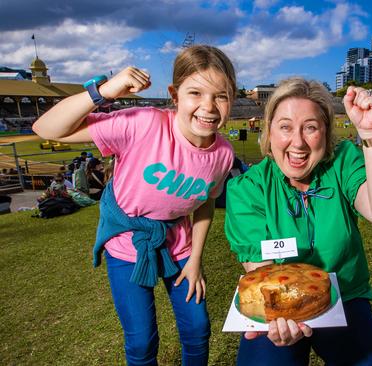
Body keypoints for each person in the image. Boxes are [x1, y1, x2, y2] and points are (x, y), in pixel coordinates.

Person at [32, 45, 236, 365]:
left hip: (179, 247)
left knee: (198, 329)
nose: (208, 107)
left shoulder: (223, 154)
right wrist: (101, 92)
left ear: (232, 99)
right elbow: (45, 129)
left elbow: (206, 205)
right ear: (175, 94)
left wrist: (196, 259)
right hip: (127, 244)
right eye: (195, 92)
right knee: (141, 342)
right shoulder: (143, 125)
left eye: (221, 96)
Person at [225, 78, 372, 365]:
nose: (298, 142)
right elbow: (263, 273)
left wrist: (370, 133)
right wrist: (283, 317)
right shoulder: (247, 188)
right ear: (269, 132)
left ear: (326, 132)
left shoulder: (342, 161)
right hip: (278, 305)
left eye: (310, 127)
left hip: (344, 297)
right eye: (285, 127)